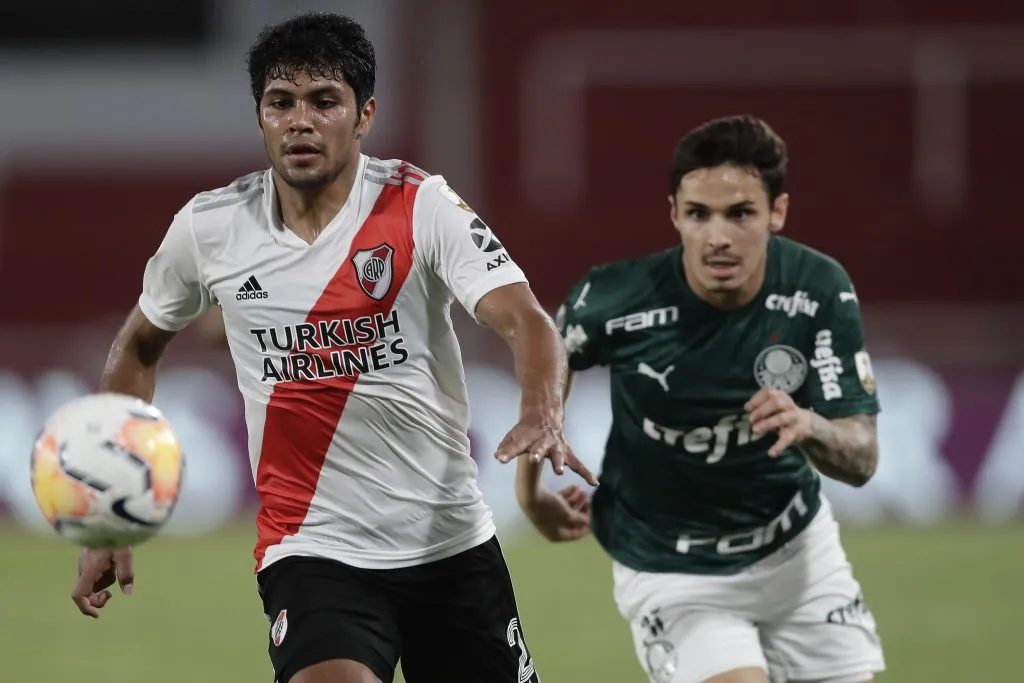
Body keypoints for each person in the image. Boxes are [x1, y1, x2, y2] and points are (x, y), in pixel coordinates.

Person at [70, 12, 595, 683]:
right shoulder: (210, 227)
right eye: (280, 102)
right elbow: (137, 347)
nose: (300, 121)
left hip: (449, 542)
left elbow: (527, 320)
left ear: (364, 114)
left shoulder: (420, 205)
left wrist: (542, 407)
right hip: (312, 550)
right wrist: (112, 512)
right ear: (259, 115)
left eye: (324, 102)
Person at [517, 115, 885, 683]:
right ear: (675, 215)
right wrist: (530, 493)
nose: (718, 236)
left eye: (740, 213)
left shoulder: (817, 290)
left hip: (797, 553)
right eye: (699, 214)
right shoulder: (616, 298)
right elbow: (551, 357)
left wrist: (812, 425)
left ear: (777, 212)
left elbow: (862, 458)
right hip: (672, 567)